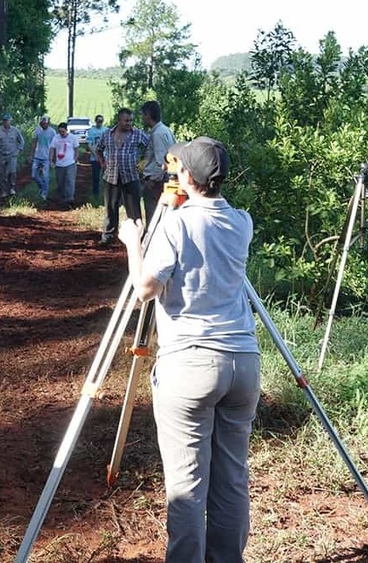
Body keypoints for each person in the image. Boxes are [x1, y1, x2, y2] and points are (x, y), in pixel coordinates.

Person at [118, 136, 260, 563]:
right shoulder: (242, 222)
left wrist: (133, 242)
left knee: (186, 487)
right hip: (243, 364)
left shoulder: (175, 225)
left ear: (185, 176)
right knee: (231, 479)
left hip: (190, 364)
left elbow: (144, 289)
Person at [94, 108, 150, 244]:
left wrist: (145, 160)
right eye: (126, 121)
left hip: (131, 177)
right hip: (111, 177)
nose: (129, 123)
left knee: (134, 209)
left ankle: (138, 237)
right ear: (119, 120)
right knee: (110, 208)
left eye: (131, 120)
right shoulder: (107, 134)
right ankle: (108, 236)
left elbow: (151, 146)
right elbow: (98, 149)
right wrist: (102, 162)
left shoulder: (138, 134)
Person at [139, 100, 177, 224]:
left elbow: (161, 162)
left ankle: (152, 241)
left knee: (153, 217)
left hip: (156, 183)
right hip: (163, 180)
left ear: (148, 115)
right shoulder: (164, 130)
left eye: (143, 115)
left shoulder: (158, 134)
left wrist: (152, 180)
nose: (142, 118)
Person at [0, 112, 24, 198]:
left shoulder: (15, 130)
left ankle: (12, 187)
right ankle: (4, 190)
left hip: (12, 155)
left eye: (7, 120)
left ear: (10, 121)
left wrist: (18, 150)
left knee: (12, 171)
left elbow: (21, 141)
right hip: (1, 155)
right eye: (4, 120)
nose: (6, 122)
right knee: (2, 173)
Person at [49, 121, 79, 208]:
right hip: (59, 164)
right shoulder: (56, 138)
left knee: (70, 180)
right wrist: (51, 160)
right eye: (60, 131)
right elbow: (52, 149)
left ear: (67, 130)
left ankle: (70, 198)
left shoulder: (73, 138)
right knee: (60, 182)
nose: (61, 133)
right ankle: (63, 197)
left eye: (63, 131)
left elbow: (76, 149)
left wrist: (75, 159)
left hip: (70, 163)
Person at [30, 115, 56, 200]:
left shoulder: (52, 132)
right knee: (34, 175)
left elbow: (54, 145)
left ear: (48, 123)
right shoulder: (37, 131)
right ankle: (42, 186)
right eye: (42, 123)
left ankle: (44, 194)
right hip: (37, 156)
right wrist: (31, 155)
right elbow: (34, 143)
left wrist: (53, 158)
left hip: (47, 157)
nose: (43, 124)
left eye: (45, 123)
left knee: (45, 176)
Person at [85, 114, 106, 197]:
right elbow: (89, 145)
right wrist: (96, 155)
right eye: (98, 121)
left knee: (106, 177)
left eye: (101, 121)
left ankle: (106, 193)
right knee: (95, 177)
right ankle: (95, 194)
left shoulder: (106, 130)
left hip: (105, 157)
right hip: (94, 157)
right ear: (96, 121)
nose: (99, 123)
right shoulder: (91, 131)